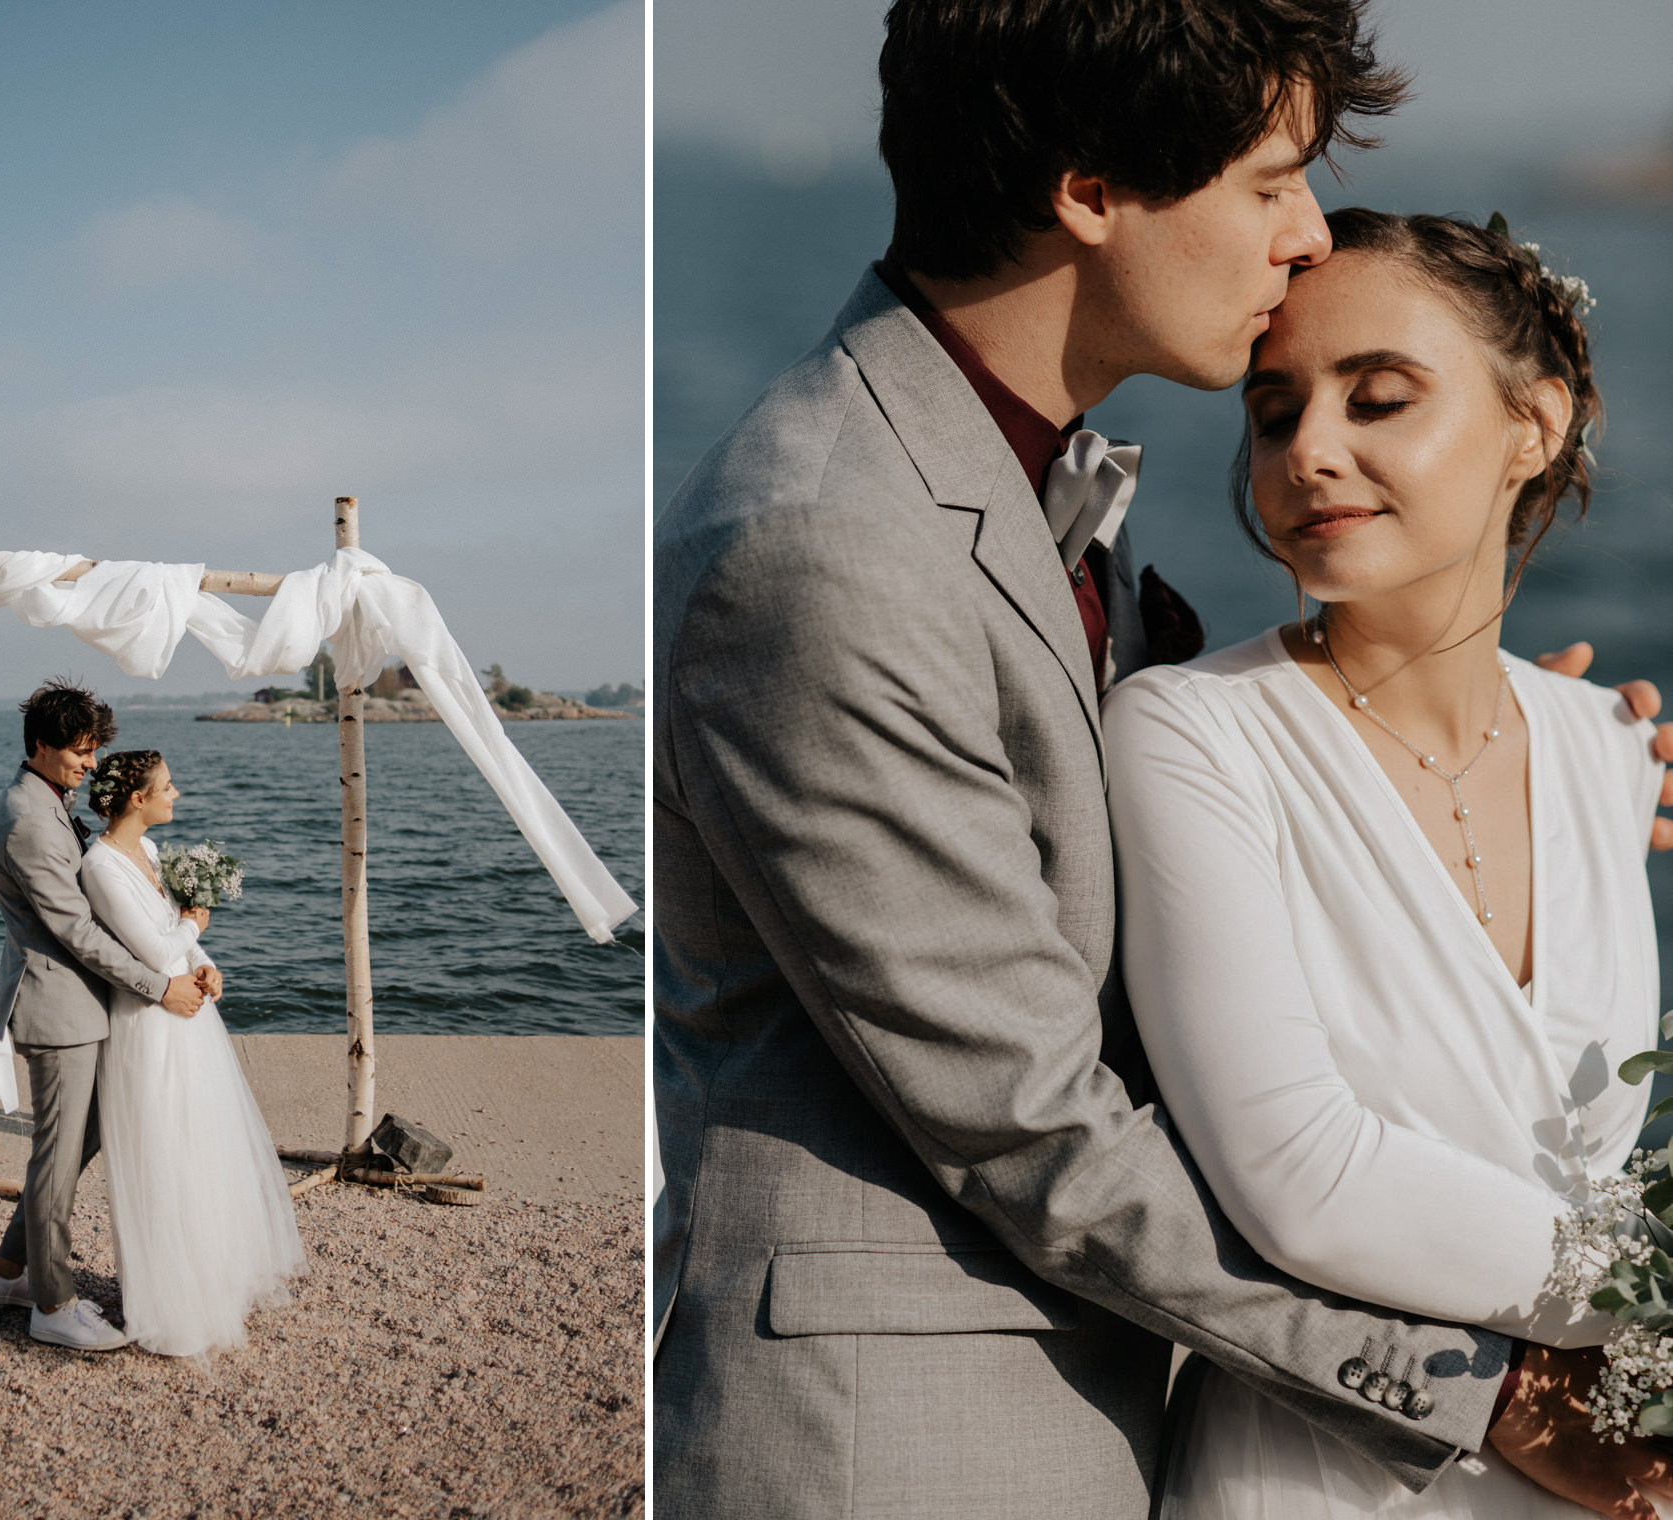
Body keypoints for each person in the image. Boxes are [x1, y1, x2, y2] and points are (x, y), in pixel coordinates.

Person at [651, 2, 1673, 1515]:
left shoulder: (1039, 511)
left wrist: (1498, 753)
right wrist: (1501, 1388)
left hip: (1122, 1412)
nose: (1304, 235)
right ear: (1092, 190)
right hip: (903, 1450)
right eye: (1269, 182)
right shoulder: (825, 542)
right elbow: (1031, 1125)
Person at [1106, 209, 1664, 1518]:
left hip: (1598, 1477)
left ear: (1537, 424)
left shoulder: (1612, 746)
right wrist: (1650, 1290)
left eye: (1382, 398)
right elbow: (1300, 1179)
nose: (1311, 451)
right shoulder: (1195, 734)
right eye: (1274, 408)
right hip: (1322, 1470)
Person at [0, 680, 209, 1351]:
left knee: (76, 1146)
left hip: (81, 1006)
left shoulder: (50, 801)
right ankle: (54, 1304)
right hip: (57, 1009)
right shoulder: (25, 820)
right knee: (58, 1155)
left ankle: (8, 1272)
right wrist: (160, 988)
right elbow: (77, 931)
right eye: (79, 750)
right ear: (40, 745)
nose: (92, 763)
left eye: (94, 750)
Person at [79, 749, 305, 1357]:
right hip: (148, 1025)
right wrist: (195, 932)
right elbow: (153, 951)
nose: (176, 794)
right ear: (136, 800)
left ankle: (211, 1282)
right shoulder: (100, 867)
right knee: (162, 1152)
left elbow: (175, 939)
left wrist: (205, 965)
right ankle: (166, 1303)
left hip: (189, 1016)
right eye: (168, 787)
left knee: (202, 1146)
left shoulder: (149, 853)